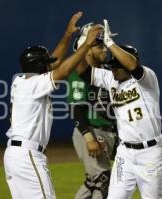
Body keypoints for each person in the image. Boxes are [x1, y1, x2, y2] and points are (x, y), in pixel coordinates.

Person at [3, 11, 104, 199]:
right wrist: (87, 44)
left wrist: (67, 35)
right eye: (46, 63)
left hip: (16, 155)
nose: (51, 64)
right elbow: (63, 69)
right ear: (40, 67)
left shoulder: (21, 82)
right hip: (28, 156)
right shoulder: (34, 85)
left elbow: (55, 62)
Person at [79, 19, 162, 199]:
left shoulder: (147, 79)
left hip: (150, 153)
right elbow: (82, 71)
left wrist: (109, 42)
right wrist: (84, 44)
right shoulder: (111, 79)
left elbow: (133, 66)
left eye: (117, 66)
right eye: (112, 66)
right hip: (124, 154)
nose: (113, 69)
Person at [66, 22, 118, 199]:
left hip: (107, 132)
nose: (105, 49)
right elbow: (76, 109)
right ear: (87, 48)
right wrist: (89, 138)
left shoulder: (104, 71)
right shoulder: (79, 74)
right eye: (99, 45)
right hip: (91, 132)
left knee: (93, 182)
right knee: (104, 181)